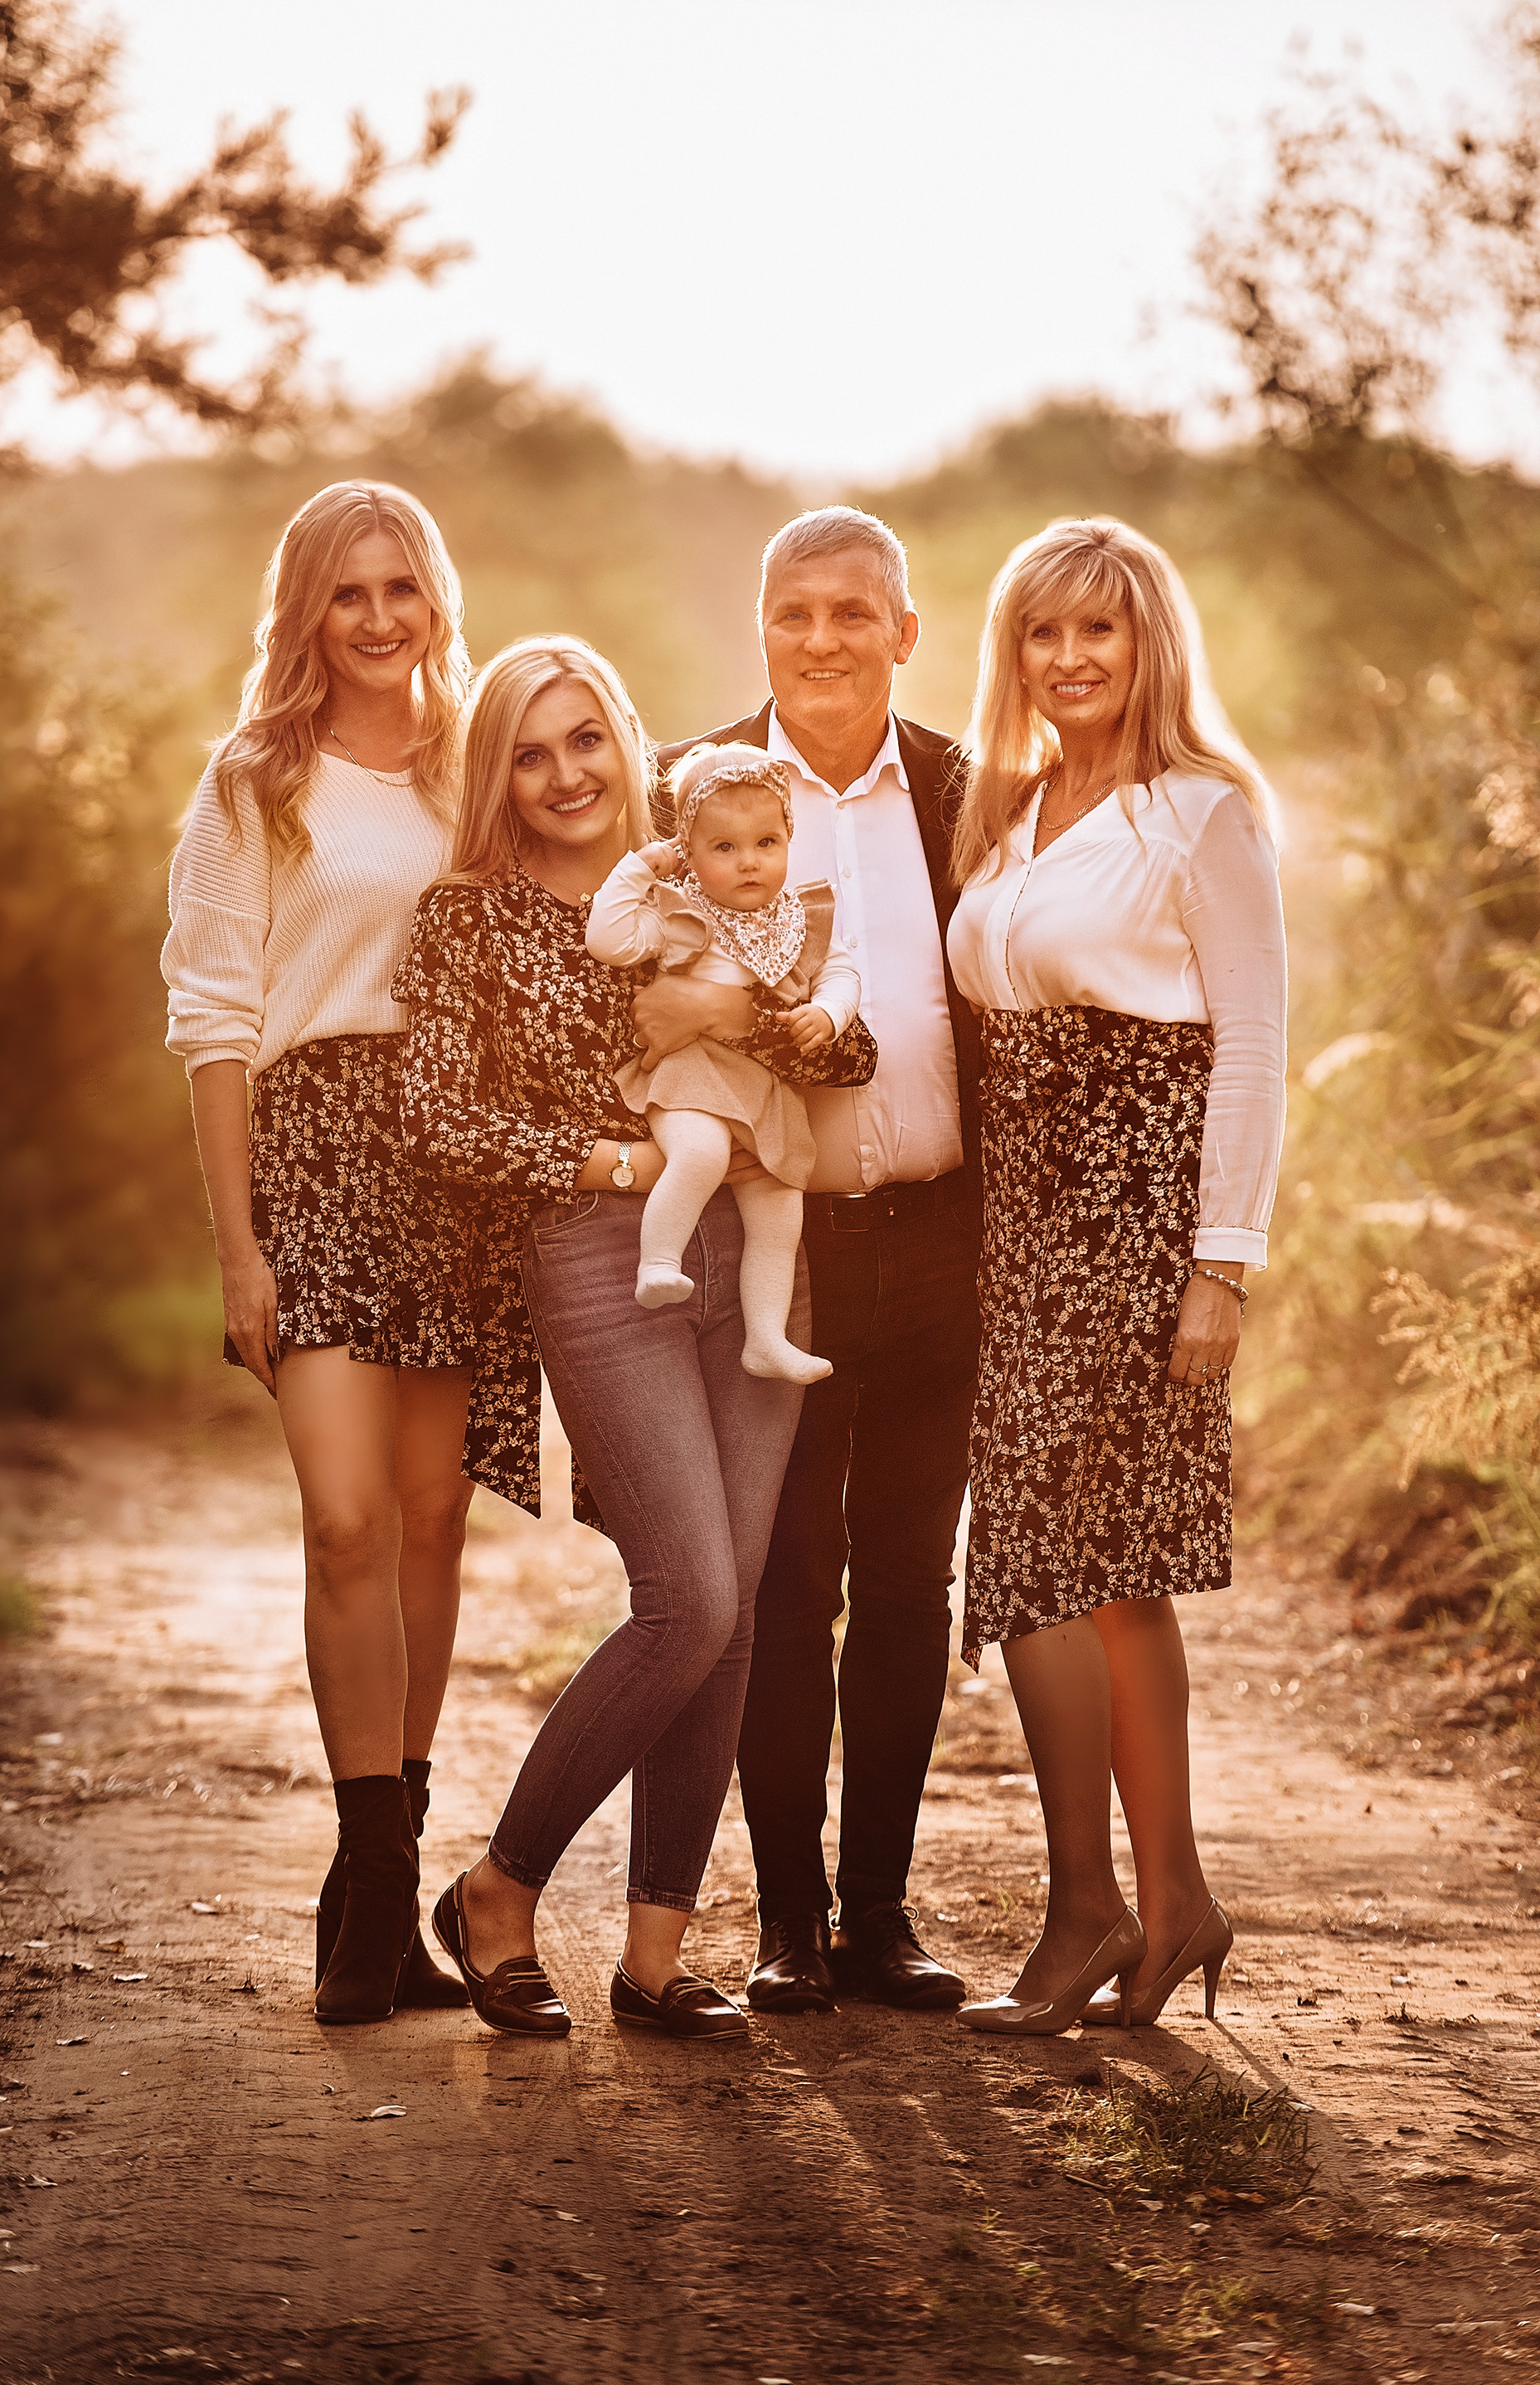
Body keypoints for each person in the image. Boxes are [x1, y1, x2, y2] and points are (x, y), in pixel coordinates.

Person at [392, 635, 878, 2041]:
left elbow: (849, 1050)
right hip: (607, 1257)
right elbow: (439, 1119)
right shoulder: (468, 920)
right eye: (529, 753)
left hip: (759, 1245)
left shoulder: (726, 863)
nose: (564, 775)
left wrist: (740, 1009)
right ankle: (498, 1889)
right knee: (691, 1599)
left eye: (585, 740)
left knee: (733, 1610)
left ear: (628, 741)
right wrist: (618, 1164)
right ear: (497, 775)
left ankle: (654, 1955)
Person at [945, 516, 1286, 2037]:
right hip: (1023, 1226)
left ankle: (1088, 1908)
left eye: (1102, 629)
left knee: (1037, 1567)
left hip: (1140, 1224)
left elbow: (1254, 1047)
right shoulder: (1007, 810)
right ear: (1012, 650)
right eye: (1044, 631)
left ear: (1152, 643)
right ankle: (1178, 1901)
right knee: (1113, 1576)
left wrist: (1223, 1266)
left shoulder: (1200, 814)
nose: (1071, 658)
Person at [646, 507, 981, 2015]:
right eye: (796, 612)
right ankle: (788, 1915)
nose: (824, 639)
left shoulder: (975, 790)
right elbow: (621, 993)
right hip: (769, 1246)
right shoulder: (696, 788)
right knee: (786, 1586)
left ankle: (881, 1914)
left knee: (910, 1582)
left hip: (945, 1236)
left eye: (856, 612)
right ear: (762, 629)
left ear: (905, 632)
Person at [161, 480, 479, 2026]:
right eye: (347, 592)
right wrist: (241, 1251)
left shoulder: (477, 761)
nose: (377, 618)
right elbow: (214, 1022)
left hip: (460, 1170)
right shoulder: (255, 782)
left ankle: (385, 1898)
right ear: (306, 609)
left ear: (435, 600)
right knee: (347, 1522)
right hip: (316, 1158)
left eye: (400, 587)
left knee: (432, 1523)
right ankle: (369, 1889)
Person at [585, 741, 861, 1382]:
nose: (749, 862)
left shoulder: (801, 919)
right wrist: (641, 868)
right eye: (724, 847)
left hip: (763, 1089)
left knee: (780, 1206)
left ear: (788, 839)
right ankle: (659, 1261)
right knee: (702, 1154)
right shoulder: (679, 913)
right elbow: (608, 939)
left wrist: (829, 1013)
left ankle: (766, 1338)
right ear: (688, 850)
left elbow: (841, 972)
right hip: (690, 1075)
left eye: (766, 842)